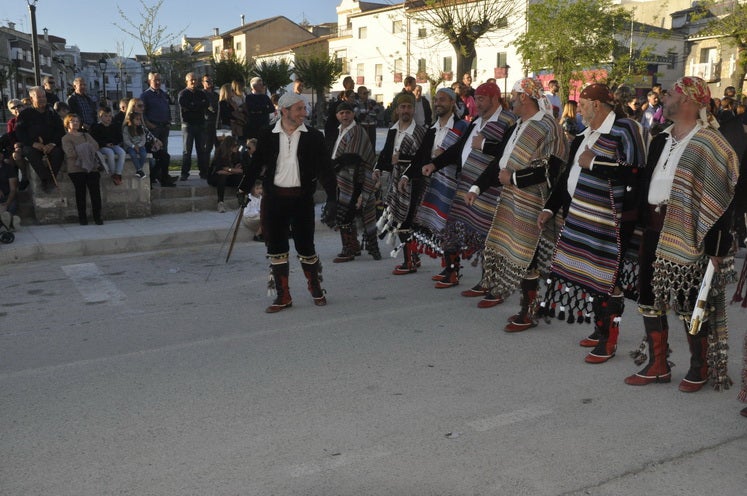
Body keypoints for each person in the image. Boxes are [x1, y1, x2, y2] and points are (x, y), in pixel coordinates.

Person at [625, 76, 738, 393]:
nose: (665, 96)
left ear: (687, 99)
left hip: (689, 233)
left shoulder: (710, 143)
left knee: (690, 303)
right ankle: (657, 365)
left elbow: (721, 199)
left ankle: (699, 368)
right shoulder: (660, 138)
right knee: (648, 298)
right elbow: (648, 182)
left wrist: (717, 245)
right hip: (654, 227)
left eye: (672, 92)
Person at [538, 83, 646, 360]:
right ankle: (600, 329)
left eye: (583, 104)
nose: (579, 110)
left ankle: (609, 339)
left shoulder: (626, 129)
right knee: (593, 278)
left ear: (597, 104)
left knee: (609, 279)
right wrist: (550, 208)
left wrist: (595, 163)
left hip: (613, 218)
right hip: (581, 215)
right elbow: (566, 178)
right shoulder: (583, 136)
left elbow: (635, 172)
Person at [466, 78, 567, 321]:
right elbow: (499, 162)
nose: (510, 99)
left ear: (524, 96)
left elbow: (551, 169)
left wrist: (514, 178)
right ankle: (501, 289)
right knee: (504, 248)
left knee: (528, 255)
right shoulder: (517, 125)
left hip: (534, 200)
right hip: (510, 198)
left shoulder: (548, 126)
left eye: (514, 94)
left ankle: (529, 309)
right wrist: (477, 187)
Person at [421, 82, 517, 292]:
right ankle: (452, 271)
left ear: (494, 98)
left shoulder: (508, 121)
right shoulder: (476, 121)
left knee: (487, 236)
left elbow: (507, 152)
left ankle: (489, 281)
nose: (476, 102)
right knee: (452, 227)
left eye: (481, 98)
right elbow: (458, 148)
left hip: (490, 188)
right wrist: (434, 164)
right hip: (466, 184)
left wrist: (483, 145)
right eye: (476, 98)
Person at [248, 93, 337, 313]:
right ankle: (283, 295)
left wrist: (333, 198)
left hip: (301, 199)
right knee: (276, 248)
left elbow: (325, 169)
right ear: (284, 111)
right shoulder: (267, 134)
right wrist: (243, 189)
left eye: (304, 109)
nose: (304, 113)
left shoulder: (314, 136)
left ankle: (315, 287)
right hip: (274, 200)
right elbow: (255, 165)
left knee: (306, 247)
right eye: (299, 109)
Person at [408, 87, 468, 280]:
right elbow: (420, 156)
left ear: (452, 102)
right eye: (436, 100)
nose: (438, 103)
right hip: (434, 183)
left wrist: (445, 158)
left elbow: (464, 154)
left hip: (454, 184)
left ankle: (453, 271)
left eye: (442, 99)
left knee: (450, 227)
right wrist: (406, 176)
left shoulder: (461, 127)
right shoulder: (432, 129)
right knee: (442, 228)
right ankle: (448, 268)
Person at [373, 92, 428, 274]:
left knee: (406, 220)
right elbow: (387, 153)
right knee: (400, 219)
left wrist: (401, 158)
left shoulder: (421, 132)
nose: (406, 110)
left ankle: (409, 262)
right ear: (397, 109)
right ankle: (413, 257)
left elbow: (422, 159)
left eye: (409, 107)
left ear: (414, 109)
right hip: (396, 182)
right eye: (402, 107)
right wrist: (378, 168)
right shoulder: (393, 129)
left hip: (413, 183)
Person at [330, 101, 380, 262]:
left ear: (353, 114)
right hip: (344, 179)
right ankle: (355, 246)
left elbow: (353, 158)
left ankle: (349, 249)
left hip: (356, 179)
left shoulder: (356, 131)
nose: (344, 115)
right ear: (337, 115)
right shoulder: (340, 131)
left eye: (348, 112)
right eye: (341, 113)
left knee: (346, 213)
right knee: (346, 212)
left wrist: (334, 165)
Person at [15, 86, 65, 193]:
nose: (42, 99)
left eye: (43, 96)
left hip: (50, 144)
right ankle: (45, 179)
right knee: (29, 151)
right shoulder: (25, 114)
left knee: (58, 152)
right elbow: (19, 132)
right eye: (39, 97)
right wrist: (33, 144)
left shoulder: (51, 111)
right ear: (32, 98)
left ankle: (51, 180)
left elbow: (60, 130)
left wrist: (52, 143)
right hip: (34, 145)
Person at [61, 113, 103, 225]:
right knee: (80, 194)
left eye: (77, 121)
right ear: (67, 123)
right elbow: (70, 153)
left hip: (91, 168)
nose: (75, 123)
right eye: (72, 121)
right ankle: (82, 218)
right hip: (76, 169)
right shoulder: (66, 138)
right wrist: (85, 148)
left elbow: (95, 146)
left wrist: (83, 149)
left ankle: (97, 217)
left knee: (95, 193)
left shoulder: (86, 135)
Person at [177, 72, 209, 181]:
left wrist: (193, 106)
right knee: (187, 151)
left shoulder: (201, 93)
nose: (194, 82)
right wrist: (197, 105)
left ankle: (203, 172)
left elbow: (206, 104)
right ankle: (184, 173)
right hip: (188, 125)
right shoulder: (183, 94)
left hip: (200, 124)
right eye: (191, 80)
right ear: (187, 81)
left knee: (201, 150)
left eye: (195, 79)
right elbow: (184, 105)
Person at [208, 136, 246, 213]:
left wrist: (229, 170)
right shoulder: (220, 154)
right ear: (229, 146)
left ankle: (242, 199)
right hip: (215, 178)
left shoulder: (237, 154)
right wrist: (232, 170)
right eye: (234, 145)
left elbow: (240, 169)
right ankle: (220, 202)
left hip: (229, 176)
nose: (237, 147)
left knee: (240, 177)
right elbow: (219, 171)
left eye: (237, 145)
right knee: (222, 176)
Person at [90, 107, 126, 185]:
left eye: (110, 116)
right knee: (110, 153)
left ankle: (118, 173)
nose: (108, 118)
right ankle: (113, 173)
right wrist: (105, 144)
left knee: (122, 152)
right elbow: (94, 140)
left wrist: (113, 143)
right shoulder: (96, 127)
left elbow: (119, 138)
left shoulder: (114, 126)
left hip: (113, 145)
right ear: (100, 116)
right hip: (102, 147)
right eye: (106, 116)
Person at [140, 72, 171, 153]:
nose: (158, 82)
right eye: (155, 80)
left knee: (164, 152)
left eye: (159, 80)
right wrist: (148, 124)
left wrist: (168, 122)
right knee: (154, 152)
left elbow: (167, 108)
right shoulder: (145, 95)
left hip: (164, 127)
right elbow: (141, 112)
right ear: (149, 81)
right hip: (153, 128)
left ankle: (163, 166)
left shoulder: (163, 94)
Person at [122, 112, 148, 179]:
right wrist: (133, 146)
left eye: (139, 119)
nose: (139, 121)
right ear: (131, 120)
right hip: (130, 146)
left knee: (143, 154)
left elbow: (143, 139)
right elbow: (126, 140)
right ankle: (139, 170)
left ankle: (139, 171)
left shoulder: (141, 128)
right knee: (133, 154)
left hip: (140, 145)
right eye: (137, 119)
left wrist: (139, 145)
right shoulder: (126, 129)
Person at [202, 75, 219, 160]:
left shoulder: (216, 95)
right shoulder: (201, 94)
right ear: (203, 83)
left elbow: (218, 107)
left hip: (216, 123)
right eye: (207, 81)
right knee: (208, 147)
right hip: (207, 123)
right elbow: (207, 107)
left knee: (219, 146)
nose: (210, 83)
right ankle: (205, 168)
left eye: (211, 81)